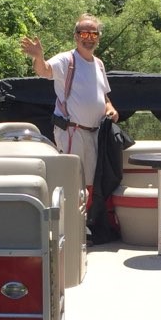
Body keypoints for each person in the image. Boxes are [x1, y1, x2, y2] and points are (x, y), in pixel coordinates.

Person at [20, 15, 119, 199]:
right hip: (72, 132)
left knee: (89, 183)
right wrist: (38, 57)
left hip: (95, 133)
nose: (88, 38)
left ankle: (84, 223)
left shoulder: (99, 64)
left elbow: (104, 96)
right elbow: (44, 71)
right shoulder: (67, 60)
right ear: (76, 36)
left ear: (98, 37)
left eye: (93, 34)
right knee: (71, 181)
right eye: (84, 33)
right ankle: (68, 224)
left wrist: (110, 109)